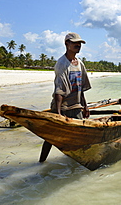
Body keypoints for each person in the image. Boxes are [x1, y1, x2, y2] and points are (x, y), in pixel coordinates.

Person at [39, 32, 91, 162]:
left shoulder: (80, 64)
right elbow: (59, 91)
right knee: (50, 137)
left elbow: (81, 88)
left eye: (79, 43)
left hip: (76, 106)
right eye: (75, 43)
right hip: (62, 106)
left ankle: (78, 162)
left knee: (81, 136)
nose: (78, 45)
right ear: (67, 44)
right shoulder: (62, 64)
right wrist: (58, 113)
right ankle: (41, 162)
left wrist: (85, 106)